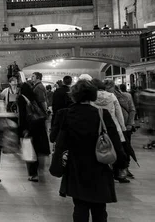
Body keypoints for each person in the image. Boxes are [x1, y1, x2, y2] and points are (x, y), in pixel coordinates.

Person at [53, 80, 126, 222]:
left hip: (76, 167)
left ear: (74, 95)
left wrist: (56, 167)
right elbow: (115, 141)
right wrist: (122, 162)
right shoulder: (101, 114)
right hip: (100, 165)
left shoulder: (67, 114)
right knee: (100, 208)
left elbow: (60, 143)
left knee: (80, 207)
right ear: (92, 95)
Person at [91, 79, 128, 183]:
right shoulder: (111, 96)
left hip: (97, 126)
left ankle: (100, 172)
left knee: (98, 148)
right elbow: (118, 113)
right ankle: (119, 173)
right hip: (112, 126)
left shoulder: (91, 97)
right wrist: (123, 127)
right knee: (116, 149)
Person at [18, 82, 50, 182]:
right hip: (39, 124)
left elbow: (22, 115)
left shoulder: (21, 98)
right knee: (38, 147)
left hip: (30, 126)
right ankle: (40, 169)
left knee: (29, 150)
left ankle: (33, 174)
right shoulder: (34, 97)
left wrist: (23, 129)